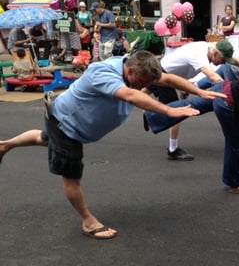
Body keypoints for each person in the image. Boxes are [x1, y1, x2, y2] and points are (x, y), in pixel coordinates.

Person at [0, 51, 225, 240]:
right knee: (71, 171)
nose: (146, 87)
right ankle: (88, 222)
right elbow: (128, 95)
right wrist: (169, 110)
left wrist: (200, 91)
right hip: (67, 127)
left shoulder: (136, 65)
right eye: (144, 83)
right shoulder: (104, 73)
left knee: (44, 139)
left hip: (63, 119)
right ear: (130, 72)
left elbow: (167, 79)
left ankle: (4, 145)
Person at [145, 40, 237, 161]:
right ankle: (173, 150)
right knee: (177, 111)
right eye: (223, 60)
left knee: (143, 92)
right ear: (215, 54)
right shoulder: (200, 56)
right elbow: (213, 76)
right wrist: (226, 89)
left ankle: (139, 108)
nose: (224, 63)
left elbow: (186, 69)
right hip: (165, 74)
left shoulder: (207, 47)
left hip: (164, 70)